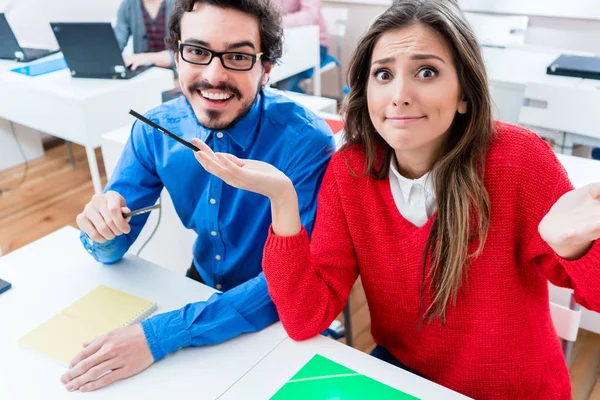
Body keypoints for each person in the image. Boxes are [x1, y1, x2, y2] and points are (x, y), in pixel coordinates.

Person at [191, 1, 600, 398]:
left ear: (464, 94)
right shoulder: (350, 172)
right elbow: (305, 319)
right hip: (403, 378)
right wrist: (282, 201)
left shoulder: (519, 159)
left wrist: (577, 248)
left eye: (426, 72)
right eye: (383, 75)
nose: (399, 95)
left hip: (513, 391)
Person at [61, 0, 334, 392]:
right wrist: (100, 230)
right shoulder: (155, 129)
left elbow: (291, 287)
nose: (213, 75)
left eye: (238, 56)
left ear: (267, 69)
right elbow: (108, 251)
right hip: (199, 291)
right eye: (196, 51)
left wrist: (160, 335)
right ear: (176, 57)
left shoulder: (306, 142)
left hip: (277, 322)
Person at [273, 0, 335, 93]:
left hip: (314, 45)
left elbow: (309, 16)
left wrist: (275, 22)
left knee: (285, 86)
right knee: (266, 81)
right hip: (283, 45)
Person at [113, 0, 175, 70]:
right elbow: (114, 47)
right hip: (142, 75)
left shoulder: (178, 4)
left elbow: (183, 53)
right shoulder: (128, 5)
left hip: (174, 76)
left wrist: (146, 58)